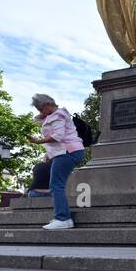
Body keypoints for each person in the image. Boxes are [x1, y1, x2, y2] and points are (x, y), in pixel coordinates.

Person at [26, 93, 86, 229]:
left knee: (56, 185)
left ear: (47, 105)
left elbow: (58, 136)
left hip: (67, 152)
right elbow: (39, 120)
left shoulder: (58, 116)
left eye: (40, 109)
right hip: (69, 151)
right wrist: (49, 153)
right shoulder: (56, 115)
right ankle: (62, 217)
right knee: (56, 185)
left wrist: (38, 141)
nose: (40, 112)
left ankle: (63, 218)